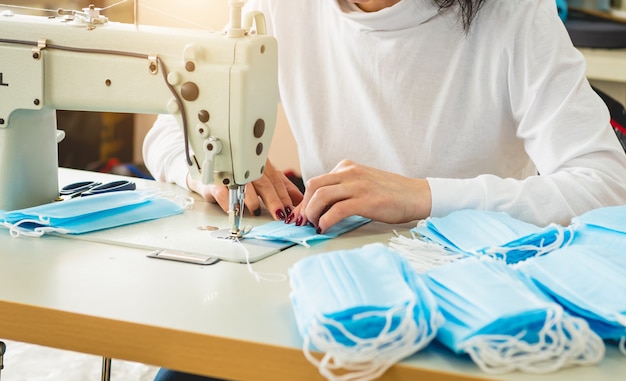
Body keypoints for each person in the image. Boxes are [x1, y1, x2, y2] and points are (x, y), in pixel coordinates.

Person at [144, 0, 626, 378]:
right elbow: (170, 130)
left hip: (471, 298)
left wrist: (424, 197)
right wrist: (210, 167)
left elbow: (606, 184)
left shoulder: (513, 13)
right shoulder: (281, 6)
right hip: (325, 286)